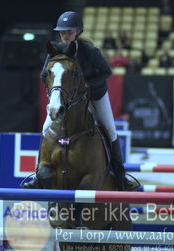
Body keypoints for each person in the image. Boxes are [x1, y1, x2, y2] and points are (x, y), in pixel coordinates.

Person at [22, 11, 138, 191]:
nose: (65, 35)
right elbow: (44, 74)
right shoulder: (56, 51)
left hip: (95, 95)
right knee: (46, 128)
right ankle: (38, 174)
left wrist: (85, 85)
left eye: (69, 31)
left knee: (110, 129)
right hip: (67, 99)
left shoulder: (89, 51)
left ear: (78, 31)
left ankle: (120, 175)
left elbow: (106, 72)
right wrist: (54, 89)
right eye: (62, 31)